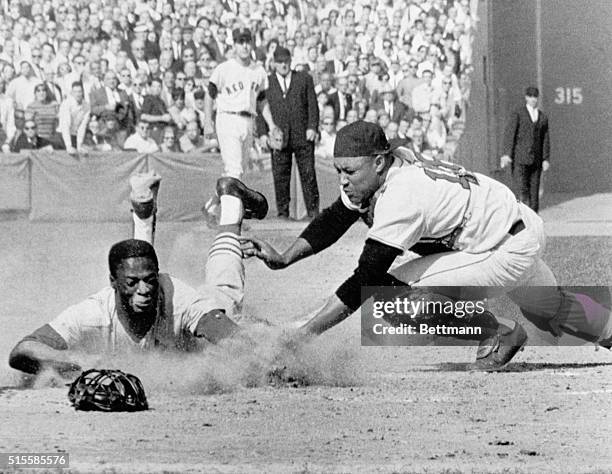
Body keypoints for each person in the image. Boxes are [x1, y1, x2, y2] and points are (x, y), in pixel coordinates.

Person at [241, 121, 612, 370]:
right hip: (520, 229)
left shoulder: (402, 195)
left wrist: (305, 334)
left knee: (391, 302)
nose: (343, 180)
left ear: (379, 163)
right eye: (338, 170)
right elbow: (338, 217)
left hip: (503, 248)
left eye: (349, 171)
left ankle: (495, 331)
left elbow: (366, 277)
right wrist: (286, 257)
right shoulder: (393, 166)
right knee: (551, 306)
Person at [8, 171, 269, 378]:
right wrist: (77, 360)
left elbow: (238, 341)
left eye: (150, 282)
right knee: (137, 265)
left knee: (224, 292)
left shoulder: (182, 302)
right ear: (112, 283)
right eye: (132, 284)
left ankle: (231, 200)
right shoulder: (93, 312)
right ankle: (143, 217)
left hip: (195, 328)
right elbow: (21, 351)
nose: (144, 290)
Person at [202, 27, 279, 222]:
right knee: (235, 170)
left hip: (248, 120)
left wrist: (271, 124)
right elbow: (210, 95)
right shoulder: (224, 68)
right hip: (227, 117)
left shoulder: (259, 71)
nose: (244, 45)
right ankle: (229, 220)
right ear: (234, 44)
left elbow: (262, 100)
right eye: (240, 41)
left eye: (247, 41)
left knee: (236, 171)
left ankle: (212, 205)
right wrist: (207, 122)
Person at [261, 46, 320, 220]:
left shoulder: (304, 79)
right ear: (273, 63)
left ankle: (313, 213)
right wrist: (263, 133)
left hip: (302, 135)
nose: (283, 65)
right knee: (280, 177)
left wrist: (312, 127)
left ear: (290, 61)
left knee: (308, 175)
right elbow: (260, 107)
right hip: (278, 137)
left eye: (286, 61)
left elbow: (313, 105)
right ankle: (283, 214)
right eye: (279, 62)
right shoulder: (267, 82)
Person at [500, 86, 550, 213]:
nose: (533, 99)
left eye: (535, 97)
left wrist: (545, 158)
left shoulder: (542, 117)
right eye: (531, 97)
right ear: (526, 98)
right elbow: (510, 133)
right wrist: (507, 154)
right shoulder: (519, 113)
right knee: (521, 191)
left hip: (536, 161)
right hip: (520, 159)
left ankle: (533, 219)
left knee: (534, 194)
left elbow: (545, 138)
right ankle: (520, 219)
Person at [58, 81, 90, 154]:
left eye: (80, 91)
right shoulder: (66, 104)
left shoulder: (87, 106)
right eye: (75, 92)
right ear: (71, 93)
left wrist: (79, 145)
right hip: (62, 136)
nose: (78, 94)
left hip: (74, 136)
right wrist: (68, 146)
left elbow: (82, 127)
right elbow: (65, 126)